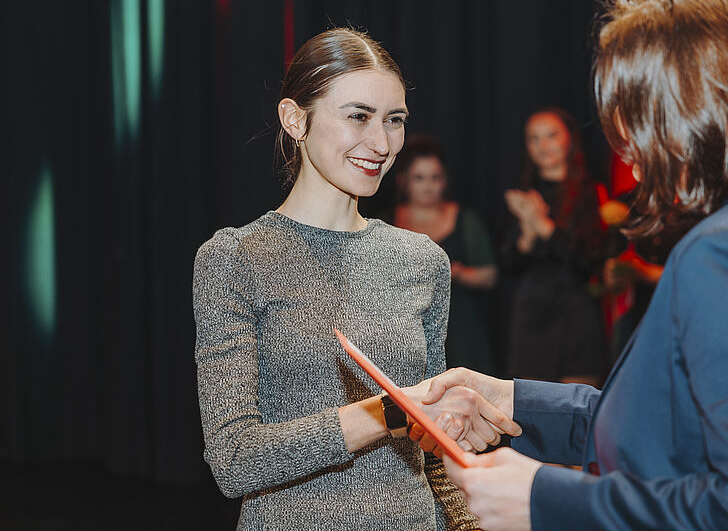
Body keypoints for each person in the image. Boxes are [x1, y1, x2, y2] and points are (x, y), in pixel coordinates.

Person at [412, 0, 728, 528]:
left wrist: (543, 498)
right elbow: (654, 429)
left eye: (633, 119)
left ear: (687, 113)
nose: (629, 155)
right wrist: (509, 398)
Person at [192, 28, 518, 530]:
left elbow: (435, 452)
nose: (382, 143)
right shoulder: (236, 259)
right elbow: (235, 460)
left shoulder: (421, 260)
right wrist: (387, 413)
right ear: (295, 119)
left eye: (394, 120)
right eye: (358, 116)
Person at [502, 108, 607, 386]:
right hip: (533, 314)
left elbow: (590, 261)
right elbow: (507, 264)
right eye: (534, 138)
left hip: (577, 312)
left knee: (579, 403)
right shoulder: (524, 193)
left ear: (569, 138)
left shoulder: (591, 192)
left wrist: (543, 226)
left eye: (551, 135)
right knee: (534, 405)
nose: (543, 145)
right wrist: (527, 233)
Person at [390, 134, 498, 374]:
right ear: (403, 181)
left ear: (445, 180)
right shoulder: (387, 221)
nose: (428, 186)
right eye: (419, 178)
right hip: (404, 330)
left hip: (459, 330)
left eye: (435, 177)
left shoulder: (465, 220)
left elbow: (490, 275)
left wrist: (458, 273)